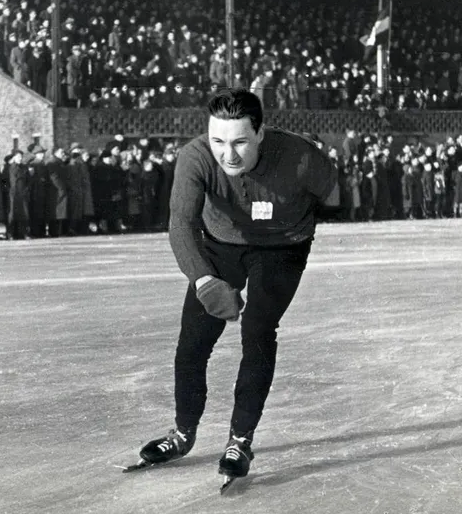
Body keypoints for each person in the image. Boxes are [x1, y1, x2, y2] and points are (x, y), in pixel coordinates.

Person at [133, 89, 337, 481]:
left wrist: (297, 226)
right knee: (193, 338)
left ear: (260, 133)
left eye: (240, 141)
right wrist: (204, 279)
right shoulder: (195, 157)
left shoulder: (302, 157)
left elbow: (334, 195)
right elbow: (180, 224)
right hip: (221, 244)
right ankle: (182, 432)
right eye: (218, 141)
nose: (228, 154)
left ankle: (240, 439)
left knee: (258, 330)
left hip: (282, 246)